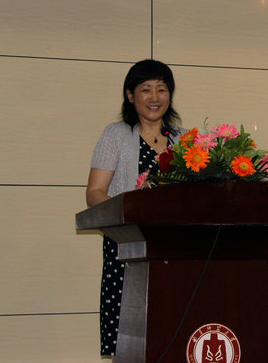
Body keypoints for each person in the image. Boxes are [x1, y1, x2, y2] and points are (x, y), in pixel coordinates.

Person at [86, 59, 182, 358]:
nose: (155, 97)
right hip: (127, 246)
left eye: (162, 89)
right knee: (130, 338)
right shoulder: (115, 135)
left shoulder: (184, 140)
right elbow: (95, 192)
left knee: (174, 329)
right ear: (130, 95)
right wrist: (128, 215)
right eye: (146, 89)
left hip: (175, 249)